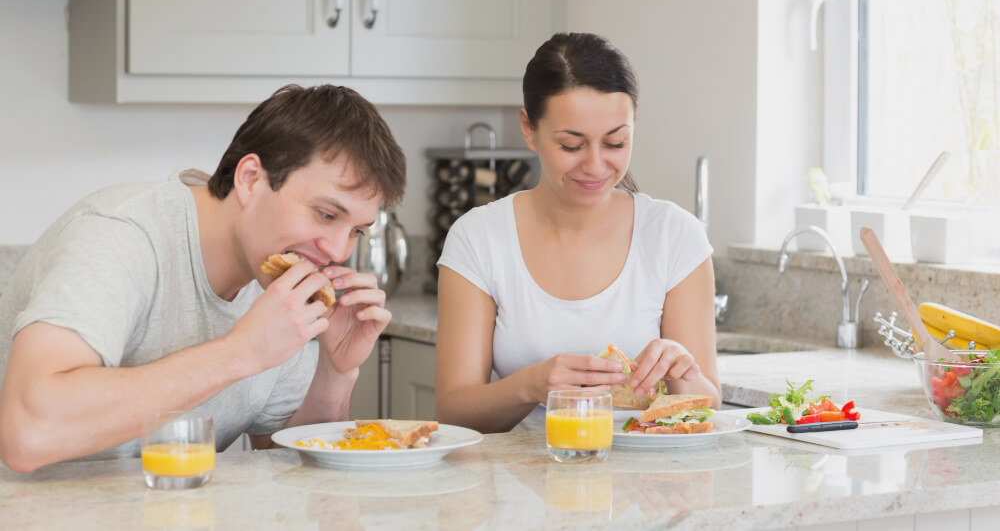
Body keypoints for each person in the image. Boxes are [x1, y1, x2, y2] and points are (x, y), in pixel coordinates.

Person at [0, 84, 406, 471]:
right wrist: (240, 352)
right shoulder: (122, 235)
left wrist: (335, 372)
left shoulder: (277, 282)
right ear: (250, 180)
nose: (338, 252)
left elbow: (287, 464)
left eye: (356, 230)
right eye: (326, 214)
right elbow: (27, 435)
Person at [435, 32, 721, 433]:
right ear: (528, 129)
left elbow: (708, 405)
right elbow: (453, 411)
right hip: (515, 488)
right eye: (571, 145)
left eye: (615, 142)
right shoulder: (478, 239)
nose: (596, 165)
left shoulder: (676, 237)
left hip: (645, 489)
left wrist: (680, 369)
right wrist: (530, 386)